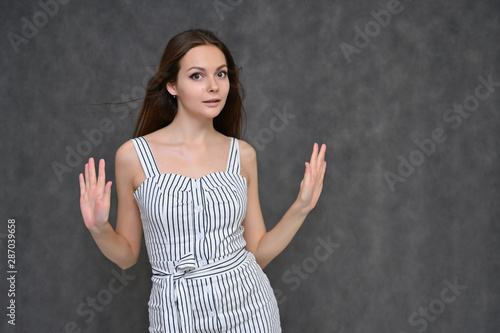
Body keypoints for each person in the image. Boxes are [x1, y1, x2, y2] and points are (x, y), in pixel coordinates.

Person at [79, 29, 326, 333]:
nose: (213, 86)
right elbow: (128, 256)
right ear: (172, 85)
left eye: (221, 74)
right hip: (176, 313)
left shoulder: (242, 155)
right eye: (197, 76)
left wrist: (301, 207)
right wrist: (99, 228)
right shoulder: (133, 156)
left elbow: (258, 252)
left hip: (250, 308)